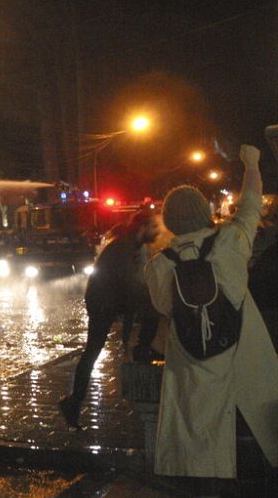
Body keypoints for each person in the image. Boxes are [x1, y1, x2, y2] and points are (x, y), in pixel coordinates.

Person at [145, 145, 278, 492]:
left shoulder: (159, 265)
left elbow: (164, 308)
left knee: (202, 465)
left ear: (170, 220)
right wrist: (251, 165)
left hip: (191, 370)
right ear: (205, 213)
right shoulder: (231, 242)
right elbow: (251, 204)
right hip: (244, 363)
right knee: (257, 459)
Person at [58, 209, 161, 429]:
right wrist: (152, 297)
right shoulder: (123, 247)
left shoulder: (133, 245)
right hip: (103, 301)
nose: (157, 230)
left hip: (112, 298)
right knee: (93, 350)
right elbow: (130, 283)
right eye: (153, 226)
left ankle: (73, 403)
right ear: (142, 228)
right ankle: (73, 402)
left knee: (93, 350)